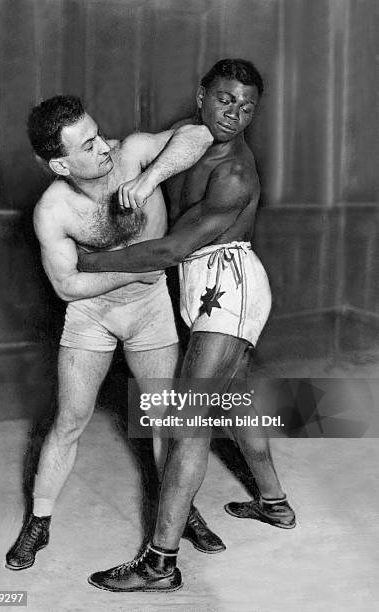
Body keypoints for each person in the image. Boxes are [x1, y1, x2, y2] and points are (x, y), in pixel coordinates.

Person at [77, 59, 296, 592]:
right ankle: (275, 505)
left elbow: (176, 247)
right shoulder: (192, 138)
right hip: (207, 286)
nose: (234, 114)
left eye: (247, 106)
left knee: (186, 423)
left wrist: (89, 261)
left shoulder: (236, 173)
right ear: (202, 96)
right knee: (233, 401)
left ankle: (160, 563)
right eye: (225, 99)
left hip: (232, 288)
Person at [5, 95, 226, 572]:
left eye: (99, 132)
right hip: (93, 313)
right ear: (61, 163)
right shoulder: (54, 210)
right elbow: (67, 286)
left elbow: (203, 133)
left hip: (150, 311)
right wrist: (138, 269)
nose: (104, 146)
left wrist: (151, 177)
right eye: (89, 144)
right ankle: (38, 522)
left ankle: (181, 512)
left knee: (166, 419)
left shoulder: (131, 153)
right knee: (70, 420)